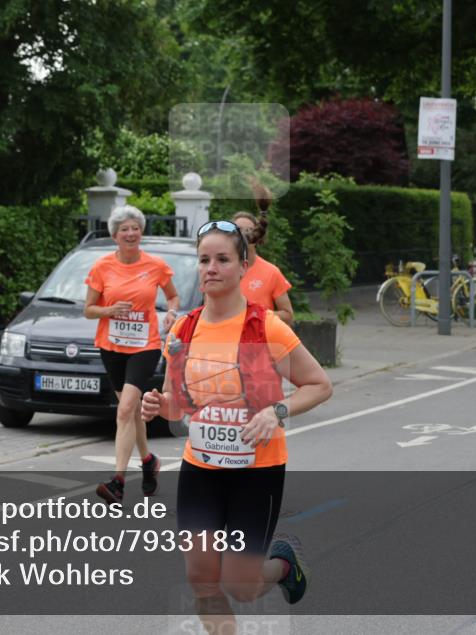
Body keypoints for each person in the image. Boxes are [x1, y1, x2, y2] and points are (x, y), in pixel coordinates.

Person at [141, 220, 332, 632]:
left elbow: (319, 385)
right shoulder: (183, 330)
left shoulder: (267, 328)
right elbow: (180, 407)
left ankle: (284, 566)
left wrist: (276, 412)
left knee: (240, 586)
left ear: (244, 266)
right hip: (201, 469)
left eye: (223, 259)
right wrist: (159, 405)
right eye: (204, 259)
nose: (211, 267)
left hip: (255, 472)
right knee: (201, 578)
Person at [85, 206, 180, 504]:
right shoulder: (101, 267)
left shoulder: (155, 265)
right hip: (111, 347)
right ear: (114, 235)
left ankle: (118, 481)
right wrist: (108, 310)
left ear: (141, 232)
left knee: (126, 409)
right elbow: (88, 310)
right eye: (124, 229)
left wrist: (172, 313)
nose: (131, 233)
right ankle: (148, 460)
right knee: (132, 411)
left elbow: (173, 295)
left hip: (145, 345)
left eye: (135, 228)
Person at [231, 179, 294, 325]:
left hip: (260, 344)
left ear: (258, 235)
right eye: (237, 230)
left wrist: (257, 314)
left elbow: (288, 316)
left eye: (248, 230)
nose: (243, 235)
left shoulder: (271, 272)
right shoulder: (222, 271)